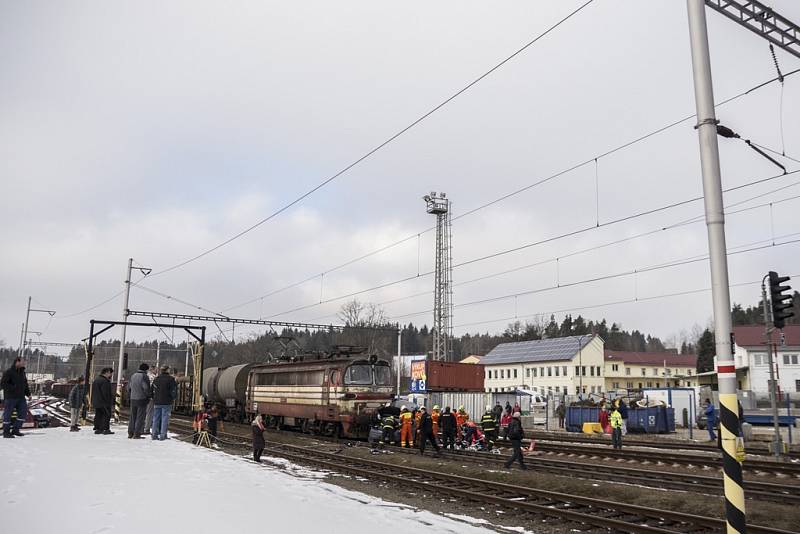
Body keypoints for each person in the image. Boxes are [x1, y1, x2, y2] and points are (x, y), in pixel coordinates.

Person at [2, 357, 31, 438]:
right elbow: (3, 384)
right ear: (17, 362)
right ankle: (6, 432)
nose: (24, 363)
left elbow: (25, 385)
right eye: (23, 361)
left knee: (23, 413)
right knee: (8, 415)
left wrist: (28, 394)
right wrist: (14, 387)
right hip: (10, 397)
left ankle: (16, 430)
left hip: (21, 398)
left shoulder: (23, 373)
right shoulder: (9, 372)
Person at [151, 365, 177, 441]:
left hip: (157, 402)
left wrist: (153, 398)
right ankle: (163, 435)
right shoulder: (171, 379)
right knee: (165, 418)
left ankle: (154, 434)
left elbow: (152, 389)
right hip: (167, 402)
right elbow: (173, 391)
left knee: (155, 418)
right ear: (167, 370)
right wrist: (173, 397)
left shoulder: (156, 379)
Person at [127, 363, 151, 439]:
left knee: (132, 416)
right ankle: (137, 433)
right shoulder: (144, 376)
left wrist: (131, 395)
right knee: (140, 417)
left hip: (133, 399)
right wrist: (149, 395)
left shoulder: (133, 375)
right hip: (141, 399)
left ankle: (130, 432)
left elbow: (128, 387)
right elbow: (146, 388)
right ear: (146, 369)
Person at [92, 368, 114, 435]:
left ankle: (98, 429)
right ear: (106, 372)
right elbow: (106, 393)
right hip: (104, 402)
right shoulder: (105, 381)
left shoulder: (96, 380)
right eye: (110, 373)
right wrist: (109, 401)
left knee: (98, 415)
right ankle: (106, 429)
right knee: (106, 415)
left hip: (97, 401)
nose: (111, 375)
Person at [143, 366, 157, 435]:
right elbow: (153, 389)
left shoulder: (145, 376)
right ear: (152, 370)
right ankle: (147, 429)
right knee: (149, 413)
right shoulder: (153, 377)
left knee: (143, 413)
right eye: (156, 369)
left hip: (142, 397)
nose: (157, 371)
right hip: (150, 398)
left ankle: (141, 427)